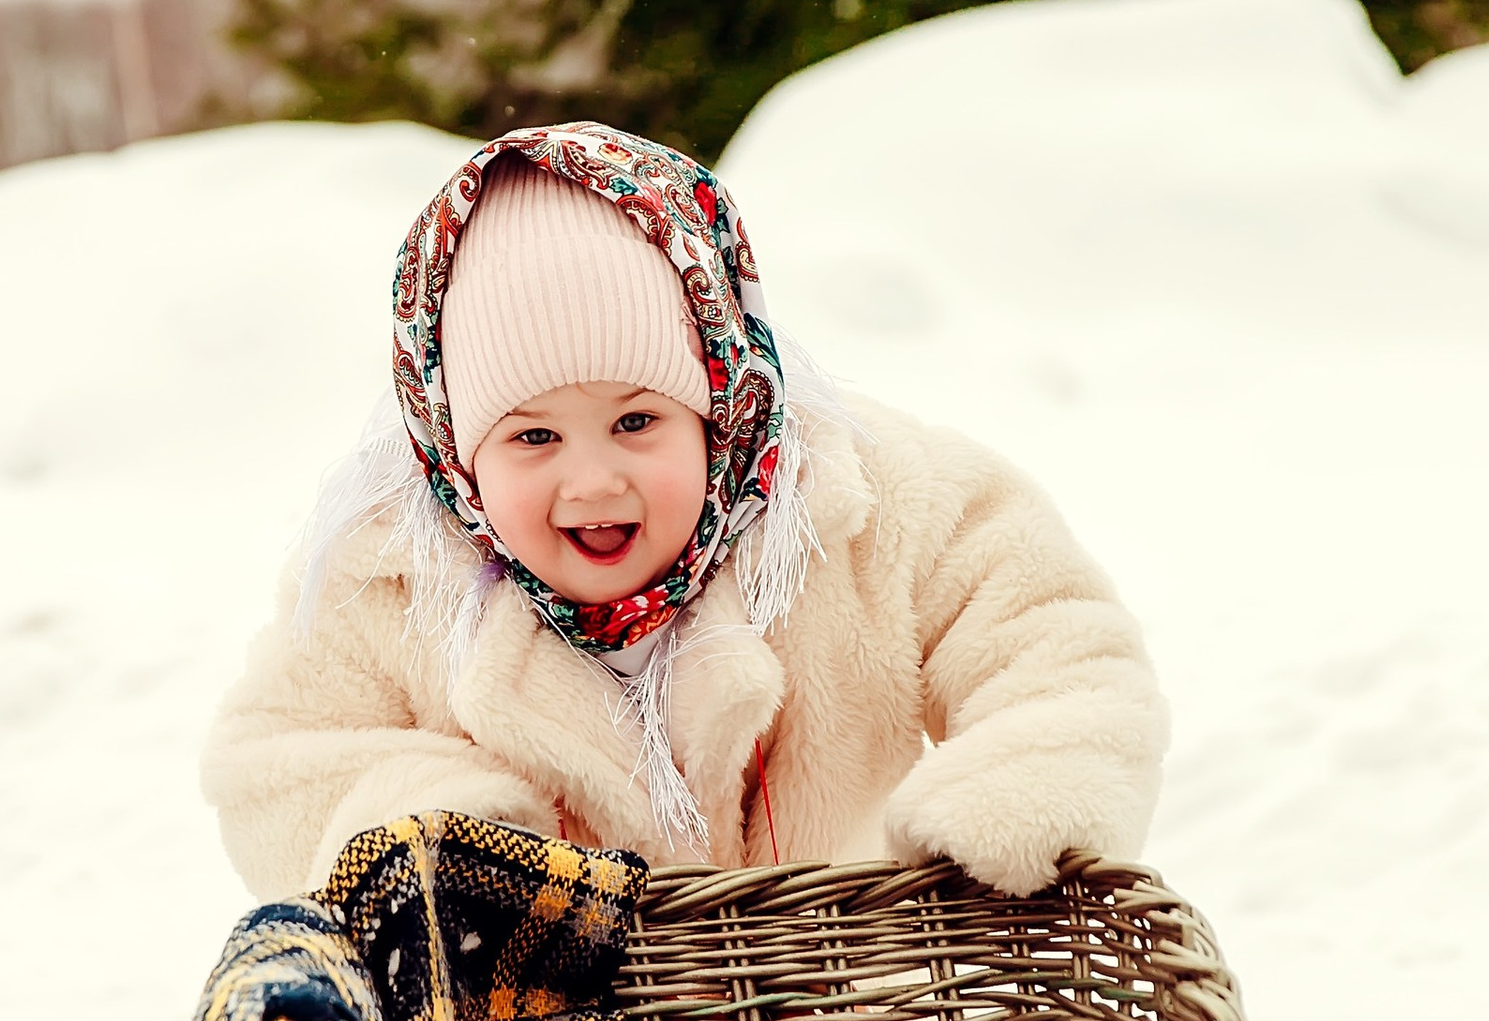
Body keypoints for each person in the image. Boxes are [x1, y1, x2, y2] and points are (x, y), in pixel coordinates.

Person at [203, 121, 1166, 910]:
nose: (591, 483)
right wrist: (448, 837)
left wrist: (1030, 779)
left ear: (717, 405)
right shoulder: (391, 579)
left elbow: (1047, 638)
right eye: (532, 439)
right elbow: (281, 764)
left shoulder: (861, 503)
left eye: (635, 421)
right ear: (458, 451)